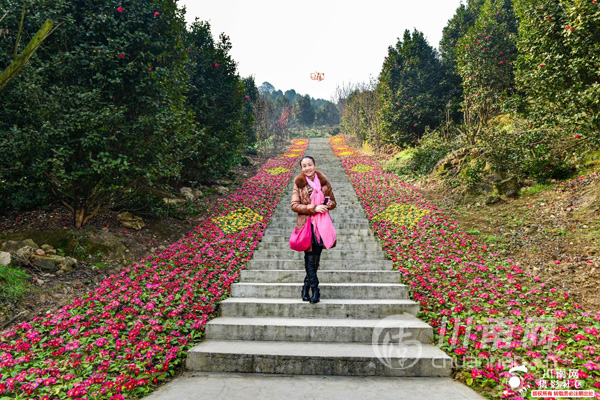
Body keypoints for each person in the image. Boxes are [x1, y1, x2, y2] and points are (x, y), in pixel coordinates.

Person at [291, 155, 337, 304]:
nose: (307, 168)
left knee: (316, 258)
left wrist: (328, 204)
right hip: (307, 225)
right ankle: (315, 289)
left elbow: (333, 201)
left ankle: (305, 286)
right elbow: (294, 205)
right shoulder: (299, 183)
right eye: (304, 166)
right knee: (310, 258)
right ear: (301, 168)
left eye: (309, 165)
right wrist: (314, 208)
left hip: (322, 225)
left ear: (315, 165)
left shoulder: (324, 181)